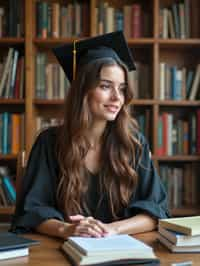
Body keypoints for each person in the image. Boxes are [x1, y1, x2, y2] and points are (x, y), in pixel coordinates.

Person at [11, 31, 169, 239]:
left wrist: (112, 229)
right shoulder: (50, 143)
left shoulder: (133, 144)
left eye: (121, 89)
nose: (116, 98)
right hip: (62, 251)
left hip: (122, 251)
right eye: (105, 86)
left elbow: (155, 212)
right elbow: (32, 211)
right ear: (82, 91)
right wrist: (67, 229)